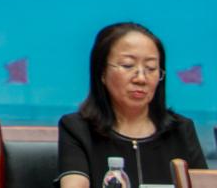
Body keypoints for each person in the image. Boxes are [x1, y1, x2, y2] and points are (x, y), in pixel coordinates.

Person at [56, 22, 207, 187]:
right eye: (128, 65)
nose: (141, 79)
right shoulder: (77, 129)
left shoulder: (181, 130)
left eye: (151, 68)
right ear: (102, 72)